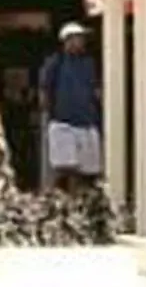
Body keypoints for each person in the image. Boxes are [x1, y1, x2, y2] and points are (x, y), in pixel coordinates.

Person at [41, 21, 104, 191]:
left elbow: (96, 87)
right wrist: (49, 115)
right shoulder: (56, 62)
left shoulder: (89, 63)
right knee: (66, 168)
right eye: (78, 38)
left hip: (88, 121)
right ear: (67, 40)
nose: (82, 41)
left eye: (83, 38)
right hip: (64, 122)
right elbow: (45, 89)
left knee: (89, 170)